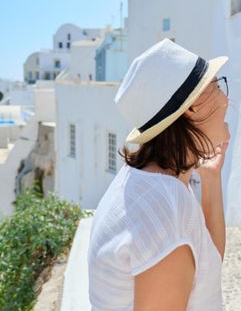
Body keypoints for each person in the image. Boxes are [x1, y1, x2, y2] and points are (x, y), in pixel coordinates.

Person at [88, 38, 230, 311]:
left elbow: (206, 264)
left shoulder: (149, 180)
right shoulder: (167, 210)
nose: (226, 98)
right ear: (192, 107)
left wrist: (211, 179)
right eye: (216, 85)